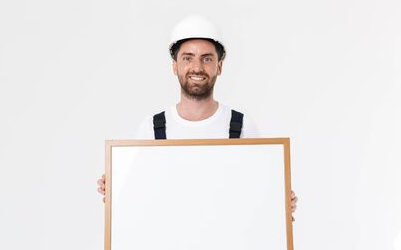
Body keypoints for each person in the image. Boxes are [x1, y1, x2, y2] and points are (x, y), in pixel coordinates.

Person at [97, 14, 298, 218]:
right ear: (175, 65)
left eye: (207, 59)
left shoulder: (242, 126)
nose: (197, 67)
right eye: (187, 58)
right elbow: (137, 199)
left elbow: (259, 195)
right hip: (167, 246)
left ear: (219, 67)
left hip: (229, 246)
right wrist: (116, 188)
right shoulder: (151, 128)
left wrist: (277, 202)